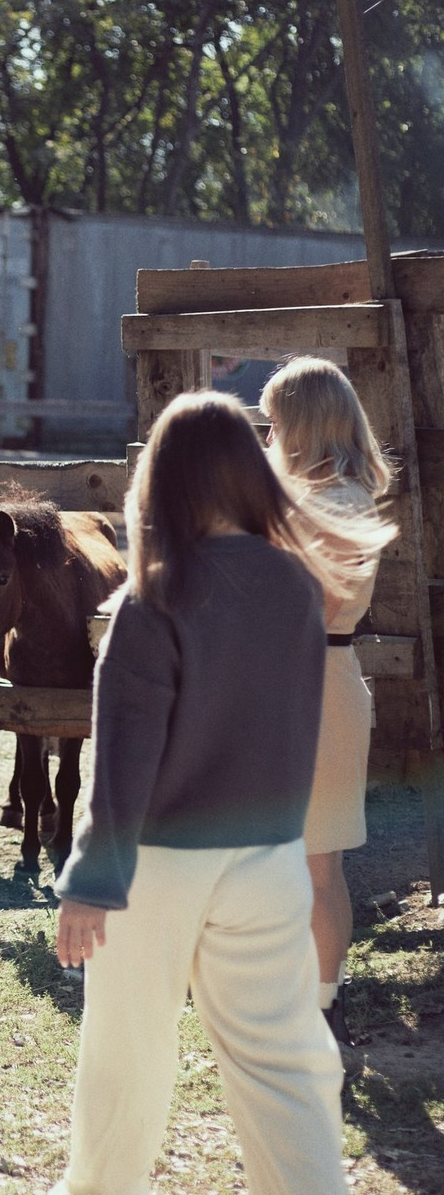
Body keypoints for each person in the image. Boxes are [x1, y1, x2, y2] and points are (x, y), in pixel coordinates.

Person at [49, 391, 392, 1195]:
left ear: (164, 479)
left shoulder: (153, 596)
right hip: (270, 854)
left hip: (158, 865)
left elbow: (123, 759)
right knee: (284, 1061)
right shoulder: (298, 589)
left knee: (126, 1059)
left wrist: (91, 881)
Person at [261, 355, 393, 1046]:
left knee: (316, 868)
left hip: (315, 686)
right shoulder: (315, 500)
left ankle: (323, 1007)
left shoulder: (340, 504)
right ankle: (308, 1000)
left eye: (277, 421)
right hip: (297, 686)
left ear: (307, 425)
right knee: (297, 864)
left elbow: (313, 606)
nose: (270, 434)